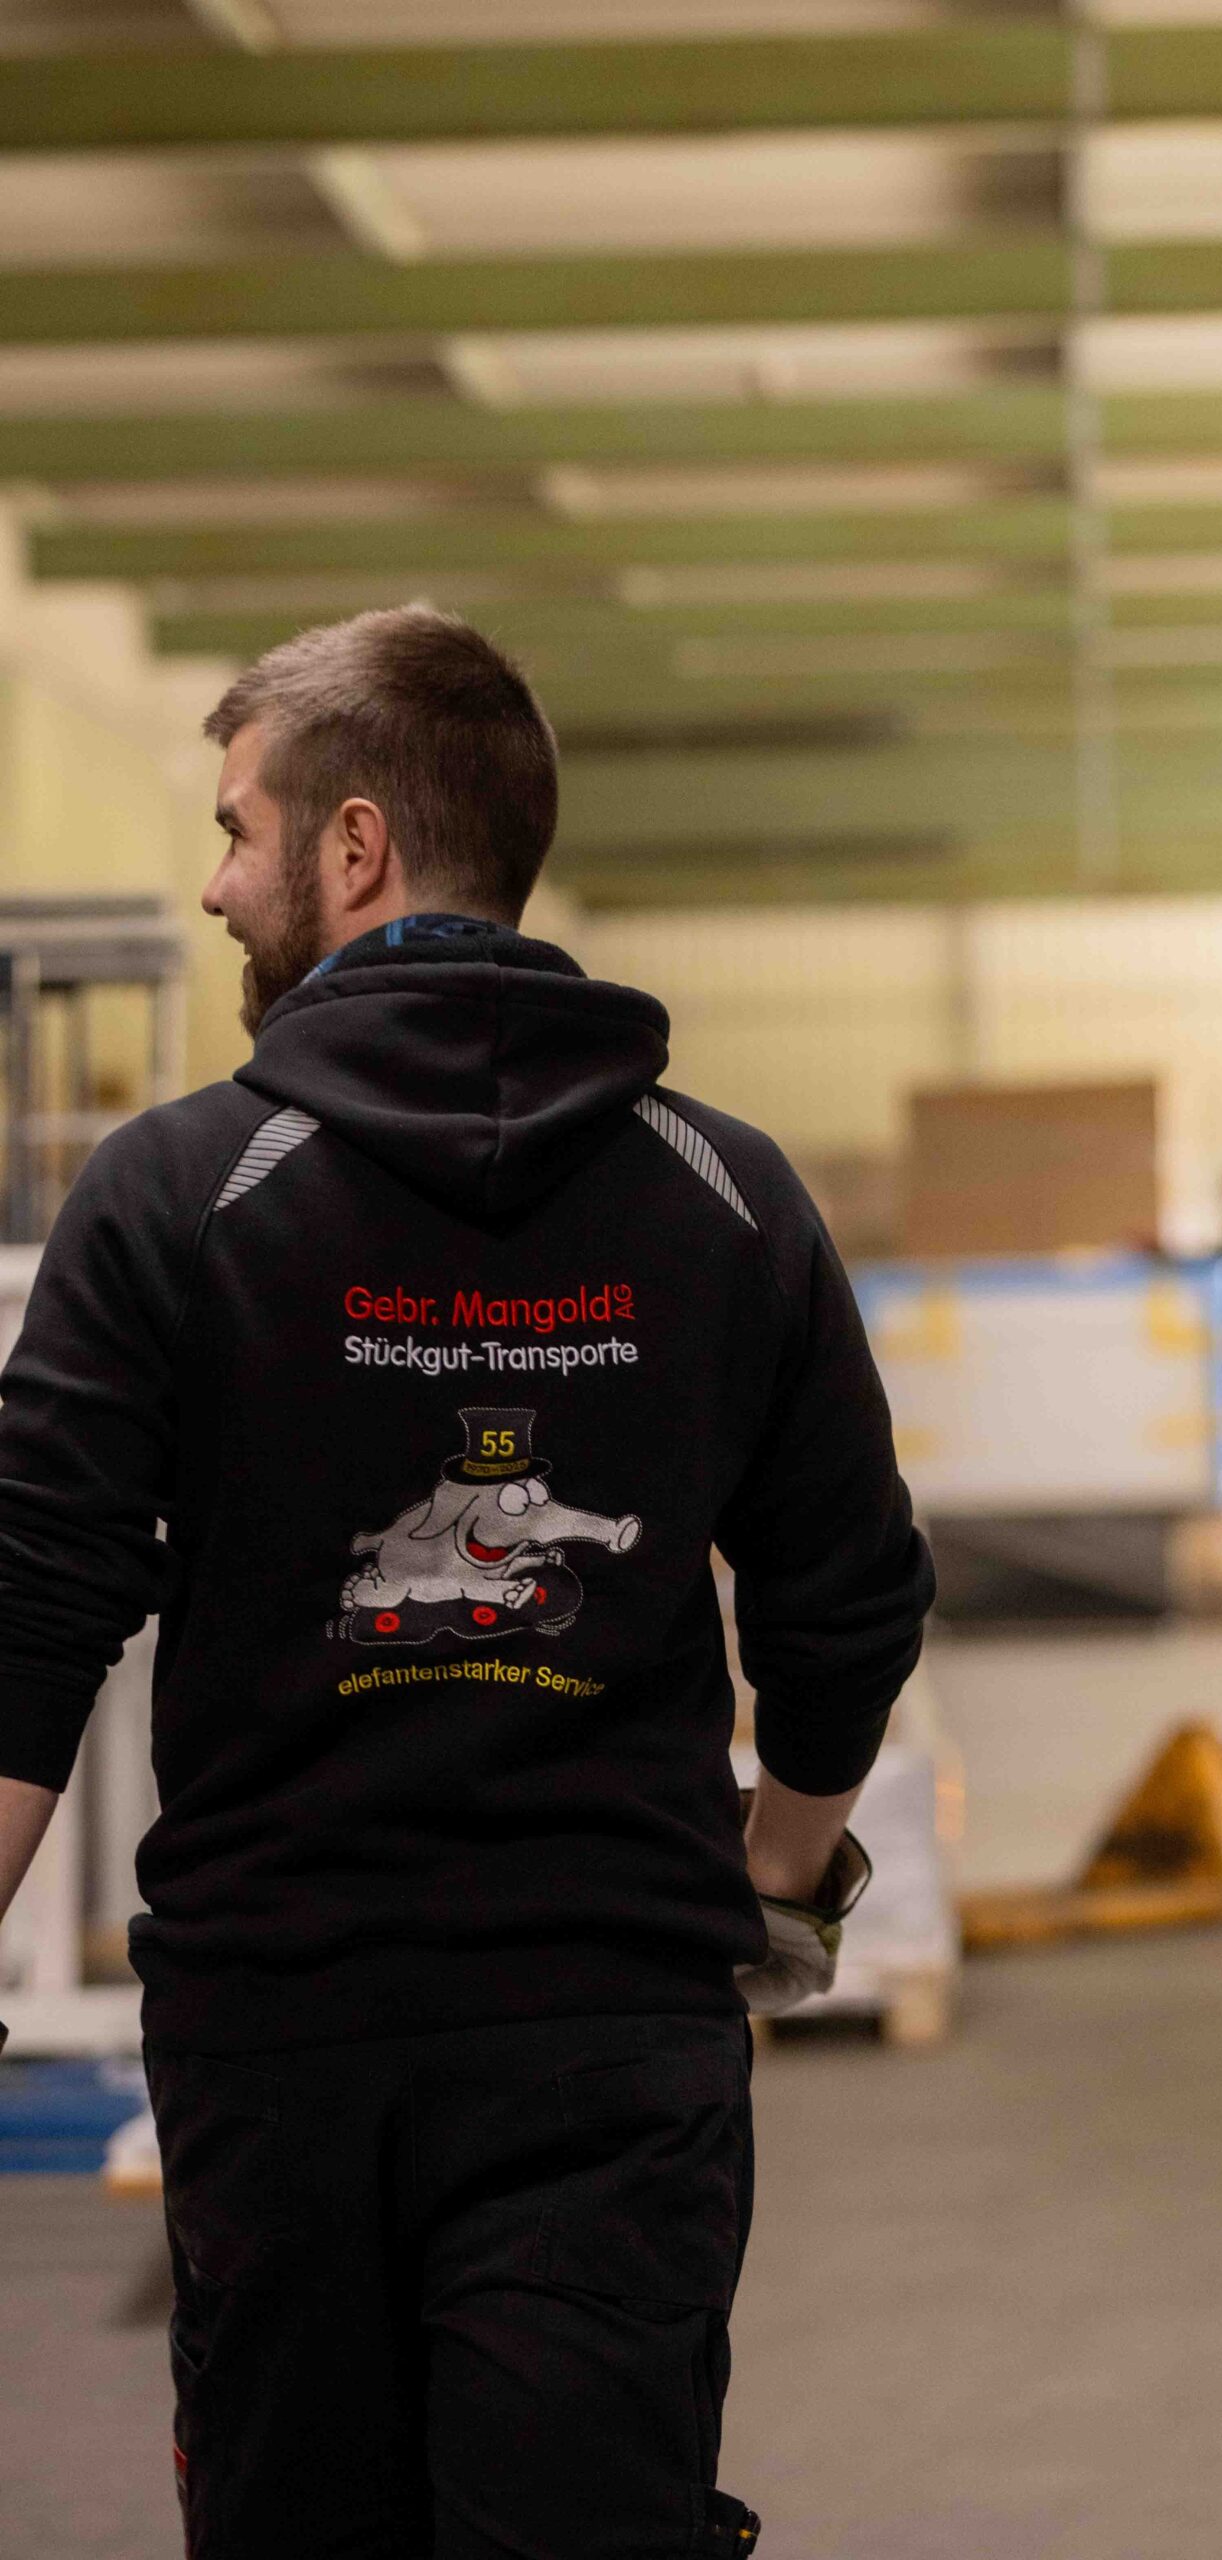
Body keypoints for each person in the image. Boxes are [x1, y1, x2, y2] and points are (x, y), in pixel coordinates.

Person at [0, 605, 934, 2558]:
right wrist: (771, 1883)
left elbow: (31, 1606)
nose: (214, 882)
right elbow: (847, 1592)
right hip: (615, 2020)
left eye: (237, 828)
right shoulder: (729, 1191)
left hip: (280, 2032)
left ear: (354, 848)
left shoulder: (173, 1191)